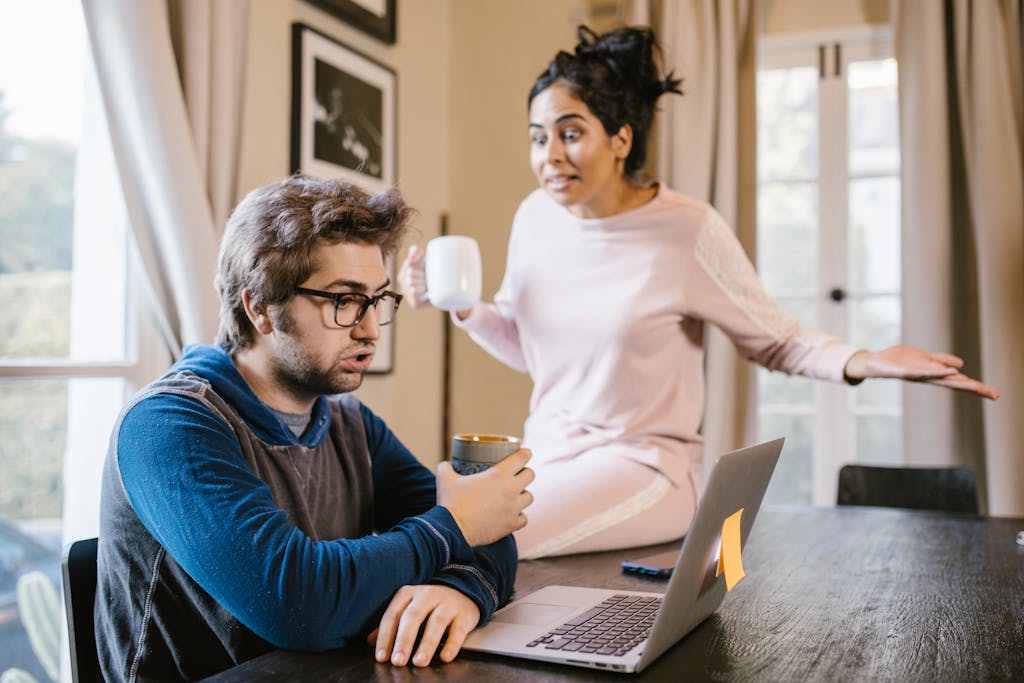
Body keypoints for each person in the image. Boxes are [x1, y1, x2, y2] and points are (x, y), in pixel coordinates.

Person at [399, 25, 999, 561]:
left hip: (645, 468)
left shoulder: (687, 229)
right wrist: (464, 307)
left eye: (570, 132)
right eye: (537, 137)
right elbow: (536, 350)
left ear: (621, 138)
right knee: (429, 514)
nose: (549, 156)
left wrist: (863, 360)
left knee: (483, 537)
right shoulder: (535, 217)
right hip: (548, 455)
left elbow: (779, 341)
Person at [94, 175, 535, 681]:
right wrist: (454, 528)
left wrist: (463, 590)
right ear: (259, 307)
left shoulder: (348, 421)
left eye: (376, 301)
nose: (369, 330)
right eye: (342, 301)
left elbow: (490, 526)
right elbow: (297, 601)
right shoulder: (168, 426)